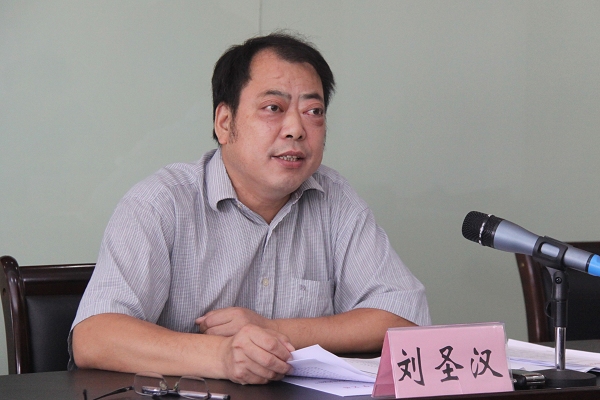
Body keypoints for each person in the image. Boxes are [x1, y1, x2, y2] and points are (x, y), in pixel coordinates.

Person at [70, 32, 430, 385]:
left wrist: (273, 330)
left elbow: (405, 318)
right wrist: (223, 356)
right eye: (273, 108)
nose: (296, 129)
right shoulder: (161, 203)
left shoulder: (335, 200)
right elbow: (94, 337)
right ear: (225, 123)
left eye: (313, 111)